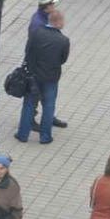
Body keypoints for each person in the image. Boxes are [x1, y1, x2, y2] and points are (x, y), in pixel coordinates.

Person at [16, 9, 70, 144]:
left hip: (33, 75)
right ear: (59, 23)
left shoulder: (36, 33)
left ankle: (23, 134)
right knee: (49, 105)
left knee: (29, 103)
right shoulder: (63, 40)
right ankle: (45, 137)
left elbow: (28, 51)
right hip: (51, 77)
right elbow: (63, 59)